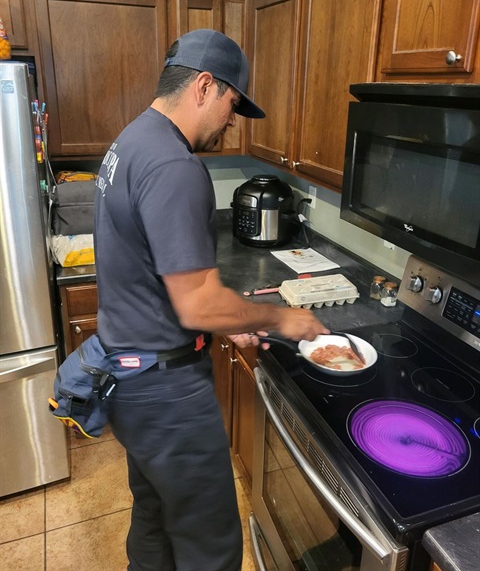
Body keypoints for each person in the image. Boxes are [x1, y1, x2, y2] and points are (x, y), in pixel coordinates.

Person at [94, 28, 329, 571]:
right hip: (167, 392)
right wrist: (282, 318)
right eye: (231, 104)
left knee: (154, 519)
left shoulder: (132, 139)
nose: (231, 121)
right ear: (204, 86)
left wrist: (226, 322)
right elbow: (197, 303)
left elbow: (161, 280)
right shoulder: (176, 166)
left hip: (127, 375)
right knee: (211, 546)